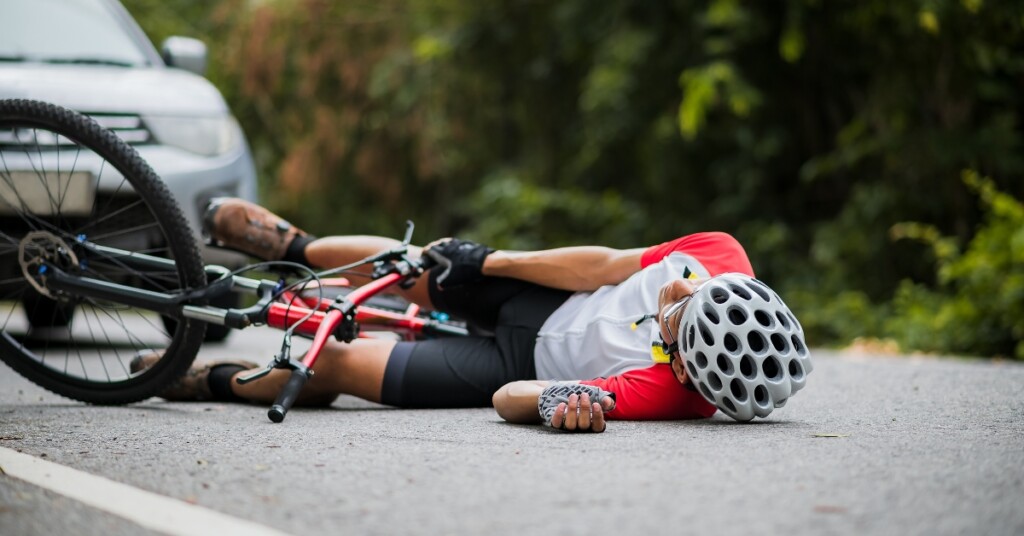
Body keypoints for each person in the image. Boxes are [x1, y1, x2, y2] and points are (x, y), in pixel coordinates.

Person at [136, 198, 811, 432]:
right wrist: (493, 262)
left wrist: (560, 402)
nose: (670, 317)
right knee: (422, 265)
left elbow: (509, 396)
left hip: (514, 362)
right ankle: (293, 246)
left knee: (338, 365)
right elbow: (600, 265)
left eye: (678, 346)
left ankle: (209, 376)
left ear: (694, 378)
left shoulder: (677, 399)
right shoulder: (717, 253)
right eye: (684, 309)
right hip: (544, 297)